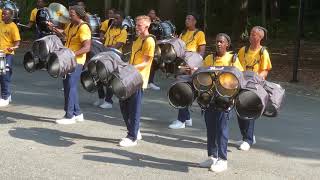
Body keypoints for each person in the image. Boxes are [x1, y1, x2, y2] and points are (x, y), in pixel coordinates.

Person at [199, 33, 243, 172]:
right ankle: (212, 156)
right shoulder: (209, 58)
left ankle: (223, 160)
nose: (218, 44)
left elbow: (240, 78)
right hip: (209, 98)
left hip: (225, 100)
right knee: (210, 128)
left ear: (227, 45)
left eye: (221, 42)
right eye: (217, 41)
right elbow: (201, 75)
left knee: (222, 130)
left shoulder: (232, 59)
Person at [49, 5, 91, 124]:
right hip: (68, 60)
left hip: (76, 61)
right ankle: (77, 113)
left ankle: (69, 116)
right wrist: (54, 28)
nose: (69, 16)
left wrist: (72, 54)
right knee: (69, 86)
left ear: (79, 15)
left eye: (72, 15)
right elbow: (65, 35)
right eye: (70, 14)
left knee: (70, 87)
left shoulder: (83, 28)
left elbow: (87, 47)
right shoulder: (72, 25)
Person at [119, 15, 155, 147]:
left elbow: (146, 62)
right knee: (123, 104)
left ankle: (132, 137)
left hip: (138, 79)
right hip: (130, 76)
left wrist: (131, 67)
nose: (136, 27)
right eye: (136, 24)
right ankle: (135, 130)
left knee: (134, 109)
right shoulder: (138, 39)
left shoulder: (150, 41)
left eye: (139, 25)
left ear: (147, 26)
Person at [236, 26, 272, 151]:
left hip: (255, 86)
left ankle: (248, 140)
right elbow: (237, 67)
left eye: (253, 34)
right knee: (239, 110)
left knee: (249, 110)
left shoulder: (263, 52)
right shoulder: (243, 50)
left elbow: (265, 70)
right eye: (251, 34)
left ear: (260, 38)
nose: (250, 36)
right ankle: (246, 136)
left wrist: (256, 80)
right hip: (242, 84)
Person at [168, 13, 206, 129]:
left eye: (189, 19)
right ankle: (188, 118)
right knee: (183, 89)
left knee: (183, 91)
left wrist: (193, 65)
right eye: (186, 18)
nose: (187, 20)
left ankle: (181, 120)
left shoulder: (199, 33)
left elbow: (201, 52)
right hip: (181, 64)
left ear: (195, 21)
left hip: (191, 66)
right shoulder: (183, 33)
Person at [93, 10, 128, 109]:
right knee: (98, 75)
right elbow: (104, 39)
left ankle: (109, 101)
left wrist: (107, 46)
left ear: (122, 19)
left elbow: (117, 45)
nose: (114, 20)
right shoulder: (110, 28)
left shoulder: (123, 31)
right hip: (105, 54)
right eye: (114, 18)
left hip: (114, 56)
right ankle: (101, 98)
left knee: (110, 78)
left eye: (117, 18)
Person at [0, 8, 21, 107]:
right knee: (1, 75)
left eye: (5, 14)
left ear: (10, 16)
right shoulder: (1, 24)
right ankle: (5, 95)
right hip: (0, 54)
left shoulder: (13, 27)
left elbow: (17, 43)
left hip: (8, 54)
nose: (3, 16)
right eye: (2, 14)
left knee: (5, 75)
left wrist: (13, 47)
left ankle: (6, 96)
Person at [146, 8, 161, 91]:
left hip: (155, 45)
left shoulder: (158, 24)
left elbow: (160, 34)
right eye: (150, 13)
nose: (151, 14)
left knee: (153, 63)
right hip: (146, 45)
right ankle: (145, 82)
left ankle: (150, 82)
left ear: (155, 15)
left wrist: (159, 23)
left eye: (153, 13)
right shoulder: (146, 23)